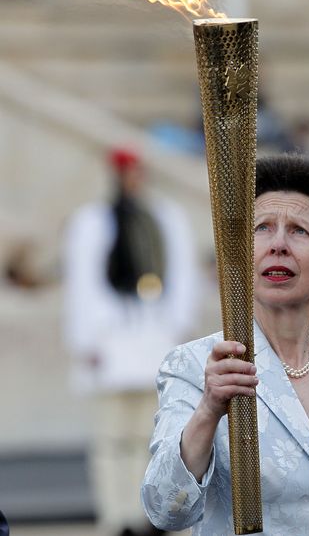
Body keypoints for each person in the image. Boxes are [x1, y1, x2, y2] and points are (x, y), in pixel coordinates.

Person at [141, 153, 309, 535]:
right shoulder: (196, 366)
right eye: (261, 228)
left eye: (299, 230)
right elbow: (165, 509)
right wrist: (209, 411)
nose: (278, 244)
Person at [63, 146, 199, 536]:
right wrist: (88, 339)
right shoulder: (93, 221)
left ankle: (149, 513)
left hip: (153, 334)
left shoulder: (164, 218)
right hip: (112, 338)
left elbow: (181, 276)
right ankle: (116, 514)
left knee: (152, 433)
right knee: (111, 436)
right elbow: (84, 284)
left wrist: (176, 329)